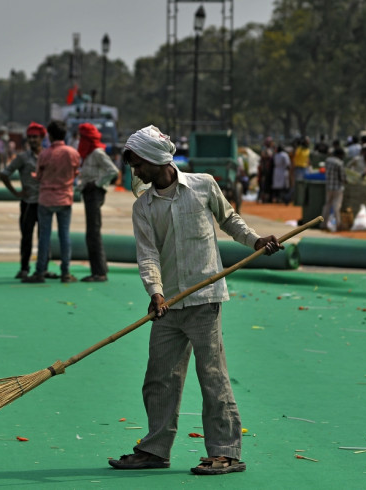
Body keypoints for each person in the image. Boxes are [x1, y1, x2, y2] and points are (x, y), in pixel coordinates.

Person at [108, 125, 283, 475]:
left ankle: (226, 453)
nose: (135, 171)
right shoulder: (144, 206)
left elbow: (229, 219)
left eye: (139, 163)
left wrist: (254, 241)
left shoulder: (202, 185)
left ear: (158, 159)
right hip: (168, 304)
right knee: (159, 377)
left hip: (205, 299)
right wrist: (155, 292)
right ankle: (156, 450)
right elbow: (148, 256)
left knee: (212, 376)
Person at [0, 122, 59, 280]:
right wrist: (15, 192)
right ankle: (24, 267)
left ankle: (43, 268)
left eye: (36, 137)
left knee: (44, 237)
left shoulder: (48, 155)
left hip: (45, 202)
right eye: (30, 137)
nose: (33, 140)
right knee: (26, 237)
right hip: (28, 203)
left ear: (42, 138)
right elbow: (5, 174)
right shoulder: (22, 158)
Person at [23, 120, 80, 284]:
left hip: (46, 199)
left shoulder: (45, 154)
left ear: (50, 135)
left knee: (44, 237)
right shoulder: (72, 153)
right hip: (65, 198)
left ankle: (40, 271)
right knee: (64, 236)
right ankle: (65, 272)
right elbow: (75, 172)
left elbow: (38, 176)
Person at [76, 123, 119, 282]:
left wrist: (97, 184)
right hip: (89, 193)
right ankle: (98, 270)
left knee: (93, 233)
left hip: (95, 194)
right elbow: (87, 177)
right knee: (91, 233)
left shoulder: (97, 153)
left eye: (82, 137)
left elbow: (113, 170)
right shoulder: (88, 155)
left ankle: (99, 273)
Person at [320, 147, 347, 230]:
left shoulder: (328, 160)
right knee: (336, 206)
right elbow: (342, 177)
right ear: (340, 155)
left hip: (329, 186)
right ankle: (338, 224)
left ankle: (323, 224)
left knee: (327, 205)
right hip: (337, 187)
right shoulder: (339, 163)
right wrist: (346, 181)